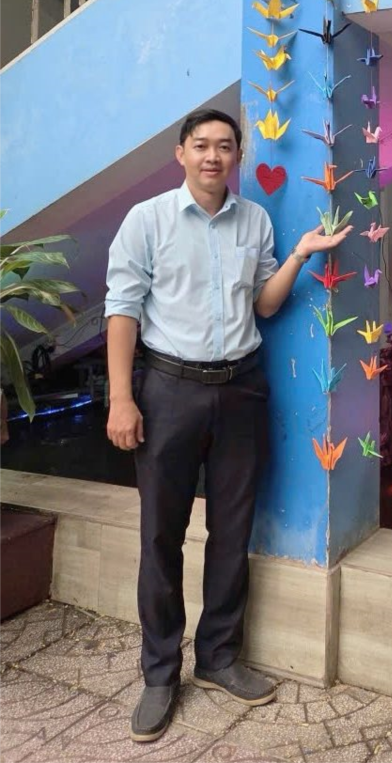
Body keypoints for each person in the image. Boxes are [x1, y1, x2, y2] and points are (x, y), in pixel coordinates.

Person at [104, 108, 351, 743]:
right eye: (201, 145)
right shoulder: (147, 220)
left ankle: (217, 657)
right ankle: (160, 674)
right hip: (169, 390)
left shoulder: (254, 220)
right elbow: (122, 310)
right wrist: (121, 399)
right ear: (181, 153)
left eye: (224, 146)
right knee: (161, 534)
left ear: (237, 156)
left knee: (232, 530)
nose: (213, 156)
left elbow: (263, 303)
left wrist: (300, 255)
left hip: (241, 388)